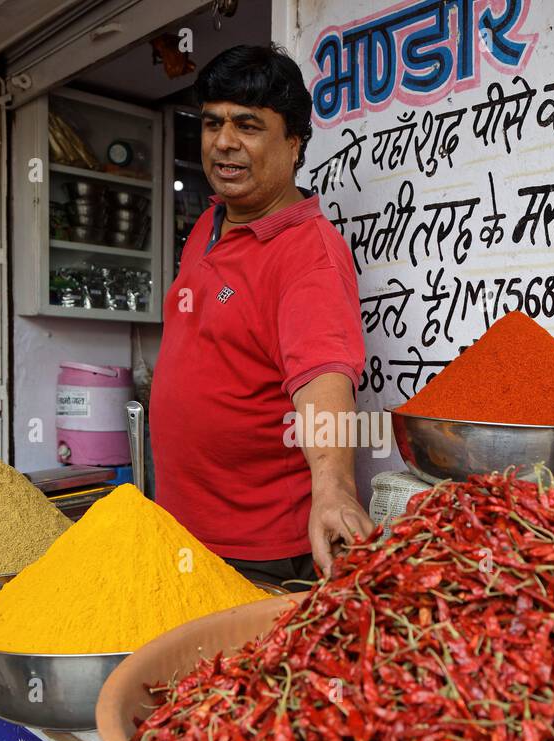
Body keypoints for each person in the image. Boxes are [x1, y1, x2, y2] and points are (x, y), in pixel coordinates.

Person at [150, 43, 374, 589]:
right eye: (212, 124)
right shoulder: (209, 225)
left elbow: (323, 377)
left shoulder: (307, 253)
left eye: (247, 125)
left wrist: (334, 487)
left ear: (293, 144)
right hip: (181, 537)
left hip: (259, 556)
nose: (223, 142)